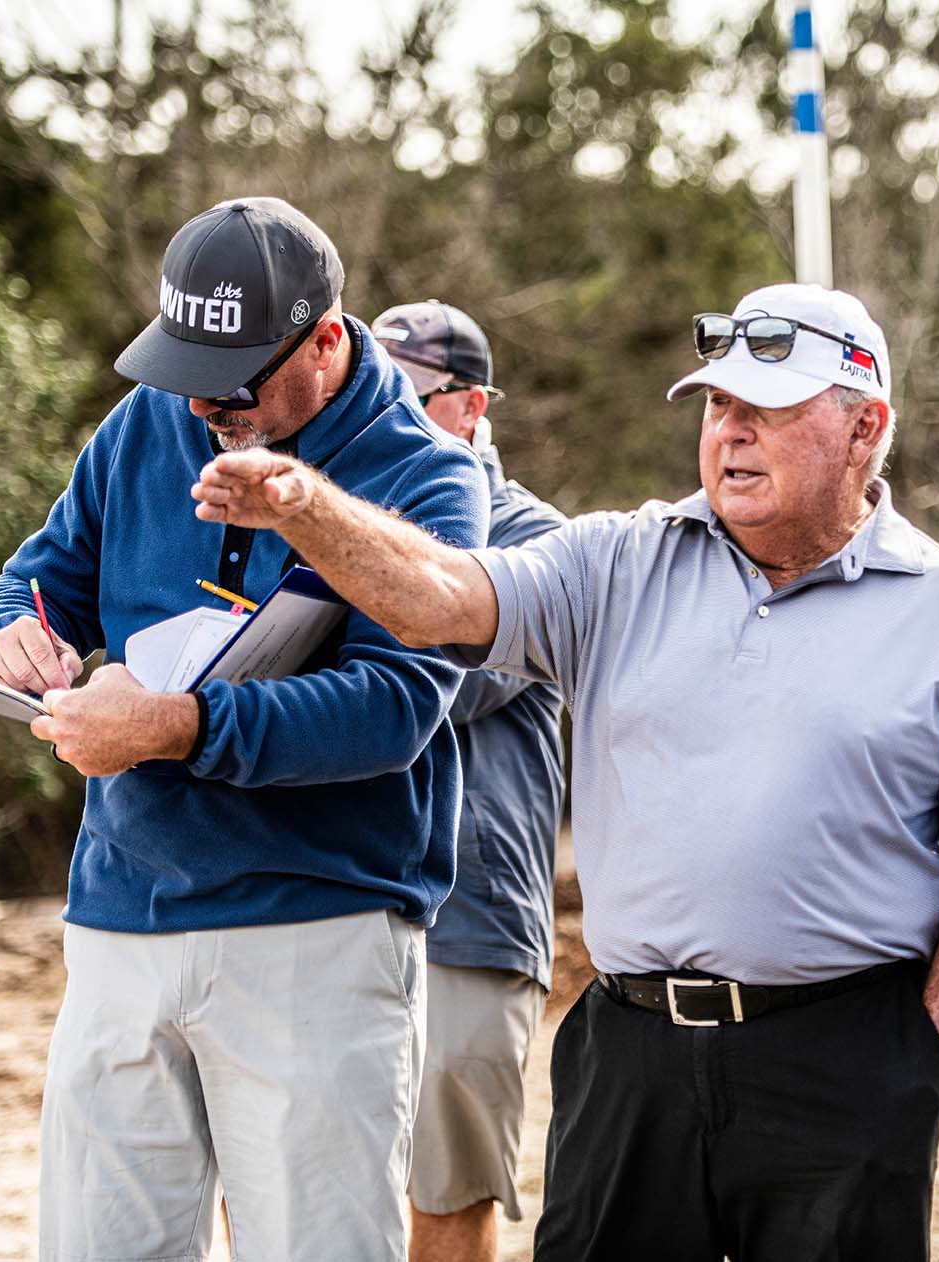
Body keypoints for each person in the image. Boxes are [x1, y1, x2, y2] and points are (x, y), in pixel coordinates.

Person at [191, 282, 939, 1262]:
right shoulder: (615, 561)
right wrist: (305, 506)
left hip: (845, 1060)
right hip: (632, 1056)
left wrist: (919, 1066)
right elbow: (439, 595)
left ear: (865, 428)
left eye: (766, 410)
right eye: (718, 405)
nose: (731, 432)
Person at [0, 198, 488, 1262]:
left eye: (237, 375)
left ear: (330, 340)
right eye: (185, 367)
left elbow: (391, 708)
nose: (206, 401)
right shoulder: (147, 424)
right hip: (118, 917)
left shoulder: (426, 474)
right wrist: (7, 629)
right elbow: (38, 575)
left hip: (317, 928)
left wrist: (179, 725)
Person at [371, 299, 567, 1262]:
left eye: (406, 392)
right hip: (341, 906)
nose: (378, 409)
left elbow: (440, 687)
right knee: (305, 1173)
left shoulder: (538, 542)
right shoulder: (336, 516)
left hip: (471, 917)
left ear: (470, 406)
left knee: (444, 1196)